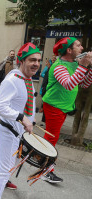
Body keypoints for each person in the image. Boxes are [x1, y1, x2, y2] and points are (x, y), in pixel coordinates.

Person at [0, 42, 41, 199]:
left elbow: (26, 103)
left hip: (19, 130)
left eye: (39, 60)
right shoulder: (12, 80)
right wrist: (21, 118)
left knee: (10, 164)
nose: (36, 64)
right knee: (4, 168)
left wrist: (30, 121)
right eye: (32, 60)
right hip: (9, 131)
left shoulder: (26, 79)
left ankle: (6, 179)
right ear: (21, 61)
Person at [42, 37, 92, 183]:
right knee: (52, 138)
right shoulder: (58, 66)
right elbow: (69, 84)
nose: (82, 48)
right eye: (78, 45)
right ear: (69, 50)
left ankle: (42, 161)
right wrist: (83, 66)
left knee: (52, 137)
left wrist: (89, 68)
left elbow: (84, 83)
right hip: (54, 106)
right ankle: (46, 170)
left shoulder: (74, 64)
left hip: (63, 107)